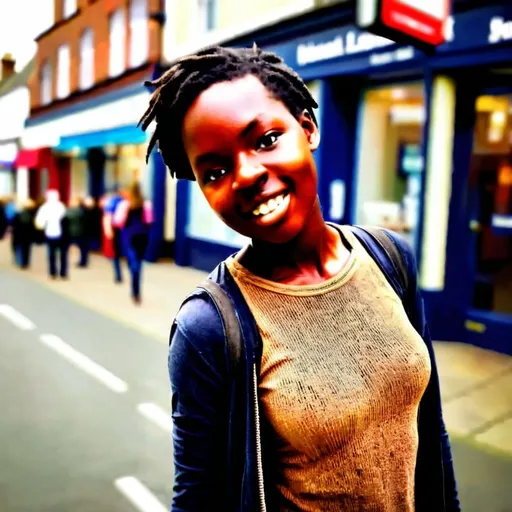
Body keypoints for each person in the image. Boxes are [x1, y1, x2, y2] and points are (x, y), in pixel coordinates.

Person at [139, 46, 459, 511]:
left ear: (307, 128)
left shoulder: (389, 259)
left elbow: (431, 430)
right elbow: (197, 498)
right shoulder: (210, 327)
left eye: (266, 139)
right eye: (217, 170)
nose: (246, 175)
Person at [113, 182, 153, 304]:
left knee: (133, 263)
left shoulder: (125, 205)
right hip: (142, 238)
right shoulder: (146, 204)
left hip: (129, 237)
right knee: (138, 264)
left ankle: (134, 289)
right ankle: (136, 293)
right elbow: (150, 220)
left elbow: (117, 222)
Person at [35, 189, 69, 280]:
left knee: (51, 254)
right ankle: (63, 273)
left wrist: (41, 228)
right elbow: (66, 219)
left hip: (49, 233)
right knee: (63, 254)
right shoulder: (61, 206)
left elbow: (40, 222)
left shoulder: (44, 207)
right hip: (62, 234)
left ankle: (52, 273)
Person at [103, 186, 126, 283]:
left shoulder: (111, 202)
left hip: (116, 229)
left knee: (116, 254)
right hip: (126, 231)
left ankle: (118, 276)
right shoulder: (126, 202)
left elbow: (108, 217)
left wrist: (108, 231)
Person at [11, 198, 37, 268]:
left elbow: (14, 225)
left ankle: (21, 262)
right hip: (28, 234)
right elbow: (33, 226)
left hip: (20, 234)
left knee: (20, 248)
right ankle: (26, 262)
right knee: (27, 249)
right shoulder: (31, 214)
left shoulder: (18, 214)